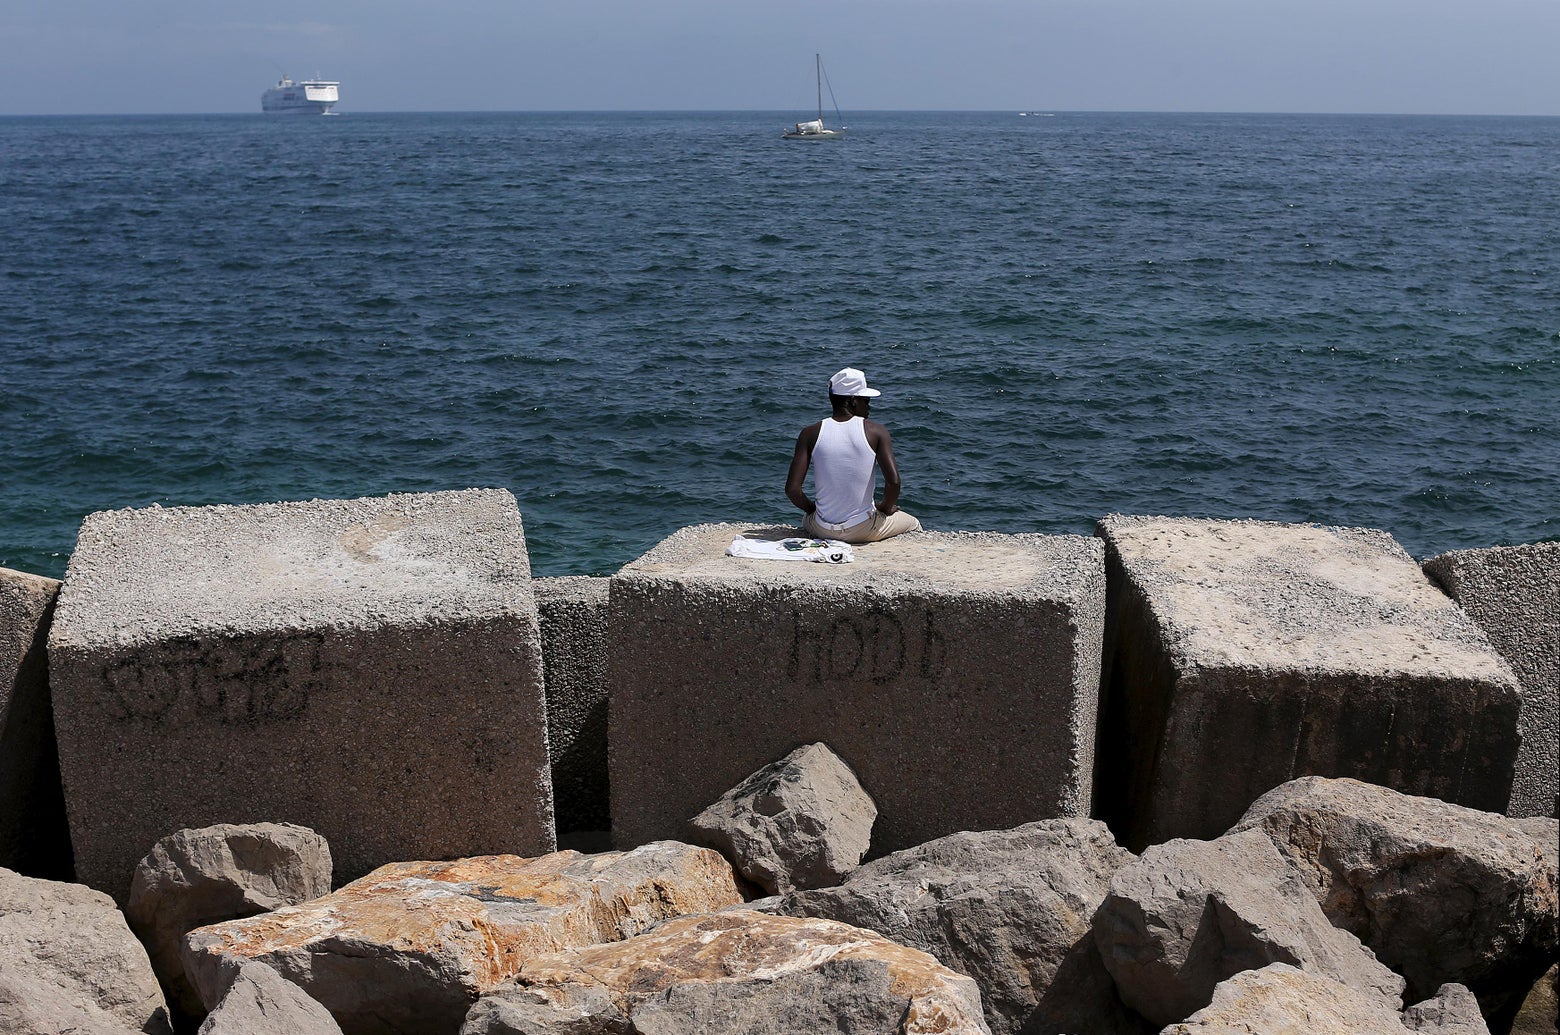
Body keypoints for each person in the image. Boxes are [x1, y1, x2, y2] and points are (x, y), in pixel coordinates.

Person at [786, 367, 922, 543]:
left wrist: (811, 509)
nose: (869, 407)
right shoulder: (876, 431)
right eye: (866, 401)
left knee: (807, 520)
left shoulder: (809, 433)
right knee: (913, 523)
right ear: (853, 401)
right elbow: (893, 482)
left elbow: (792, 490)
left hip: (821, 528)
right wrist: (885, 508)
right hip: (863, 528)